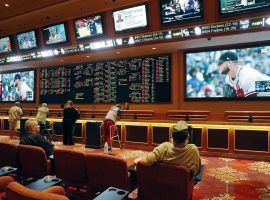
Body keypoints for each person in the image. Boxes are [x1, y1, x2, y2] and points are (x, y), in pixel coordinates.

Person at [134, 121, 201, 176]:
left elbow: (145, 161)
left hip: (163, 183)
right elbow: (196, 172)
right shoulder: (193, 149)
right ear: (188, 137)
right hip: (182, 187)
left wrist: (139, 159)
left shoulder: (164, 147)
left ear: (172, 136)